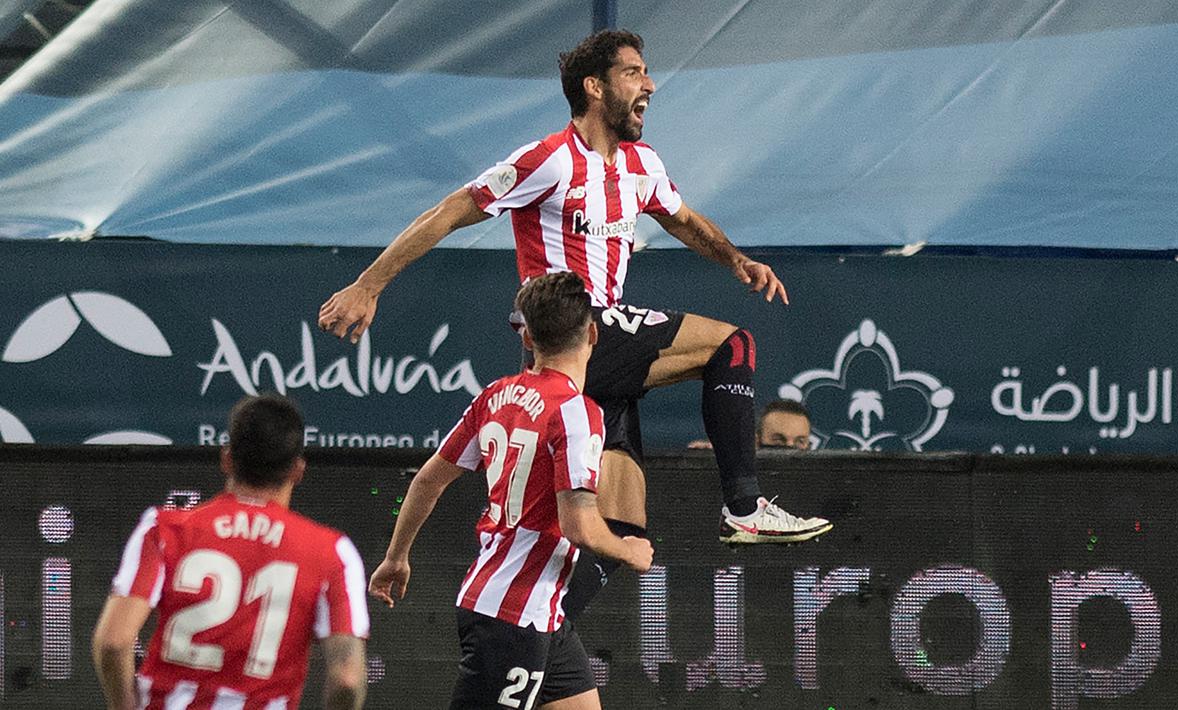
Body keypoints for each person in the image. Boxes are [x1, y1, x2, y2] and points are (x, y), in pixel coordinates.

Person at [319, 29, 829, 615]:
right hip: (569, 335)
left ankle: (541, 628)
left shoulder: (641, 164)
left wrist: (737, 259)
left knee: (622, 531)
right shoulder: (548, 160)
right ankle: (743, 507)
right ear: (595, 87)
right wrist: (369, 284)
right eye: (634, 73)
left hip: (597, 353)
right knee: (731, 347)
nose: (650, 85)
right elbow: (448, 212)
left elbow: (684, 220)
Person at [367, 272, 654, 709]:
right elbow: (579, 526)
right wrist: (627, 550)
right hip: (512, 614)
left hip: (539, 612)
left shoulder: (495, 396)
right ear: (593, 333)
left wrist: (396, 556)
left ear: (527, 337)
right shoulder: (577, 412)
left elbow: (428, 480)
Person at [92, 394, 369, 710]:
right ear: (297, 470)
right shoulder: (332, 552)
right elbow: (347, 679)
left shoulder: (164, 529)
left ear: (226, 459)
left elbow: (114, 641)